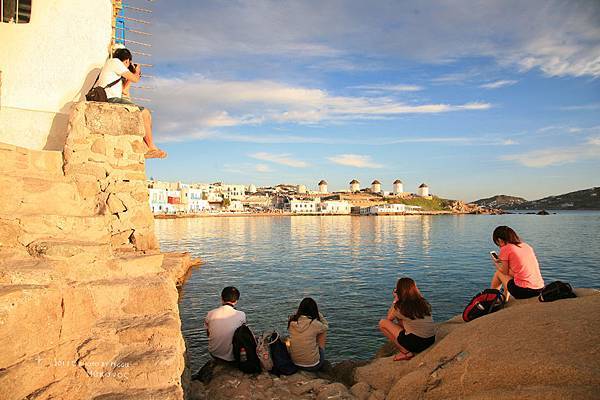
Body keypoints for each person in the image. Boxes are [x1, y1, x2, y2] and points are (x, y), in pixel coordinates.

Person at [96, 47, 167, 159]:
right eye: (128, 63)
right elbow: (135, 79)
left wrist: (131, 76)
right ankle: (151, 147)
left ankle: (149, 145)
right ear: (127, 60)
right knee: (145, 113)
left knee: (144, 113)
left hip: (112, 98)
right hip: (111, 99)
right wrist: (137, 72)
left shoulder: (113, 68)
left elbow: (124, 90)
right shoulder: (115, 62)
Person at [378, 277, 435, 361]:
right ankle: (407, 346)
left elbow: (389, 318)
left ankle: (406, 352)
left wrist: (396, 299)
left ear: (400, 290)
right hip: (430, 340)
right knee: (401, 320)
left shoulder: (401, 306)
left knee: (382, 323)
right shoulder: (423, 302)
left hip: (417, 344)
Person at [490, 226, 544, 300]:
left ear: (499, 240)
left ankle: (491, 298)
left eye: (497, 243)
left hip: (523, 292)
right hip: (539, 289)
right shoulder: (526, 246)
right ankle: (505, 298)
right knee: (511, 272)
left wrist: (496, 263)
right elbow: (516, 270)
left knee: (499, 273)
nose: (499, 246)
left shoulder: (506, 248)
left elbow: (504, 272)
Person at [204, 286, 246, 362]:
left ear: (221, 298)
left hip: (215, 353)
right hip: (234, 357)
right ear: (236, 301)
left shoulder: (210, 314)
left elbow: (208, 334)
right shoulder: (241, 315)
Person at [287, 297, 328, 371]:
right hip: (313, 365)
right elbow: (326, 326)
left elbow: (294, 315)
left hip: (295, 362)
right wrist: (319, 314)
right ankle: (316, 353)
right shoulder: (314, 324)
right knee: (323, 331)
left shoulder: (291, 322)